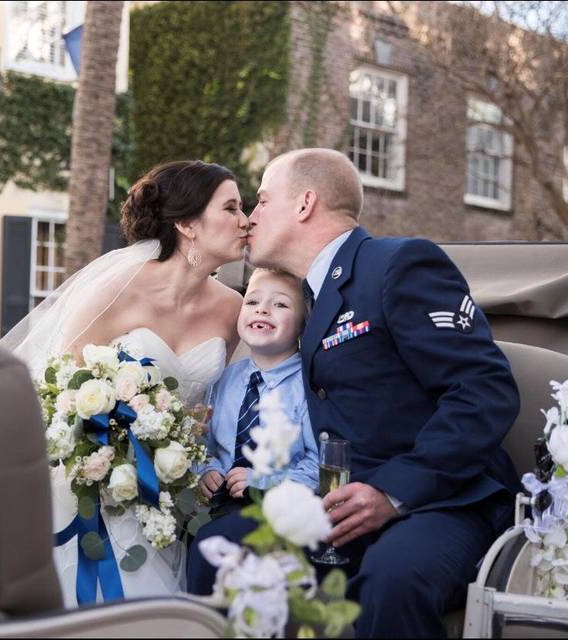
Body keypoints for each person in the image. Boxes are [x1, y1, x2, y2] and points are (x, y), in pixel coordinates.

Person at [187, 148, 521, 638]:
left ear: (304, 204)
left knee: (393, 581)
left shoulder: (398, 264)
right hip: (337, 507)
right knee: (220, 550)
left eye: (261, 201)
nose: (250, 218)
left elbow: (484, 392)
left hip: (441, 502)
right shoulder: (308, 297)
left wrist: (393, 491)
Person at [1, 160, 250, 606]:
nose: (244, 220)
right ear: (189, 224)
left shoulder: (233, 310)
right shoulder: (119, 289)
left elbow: (214, 408)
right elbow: (55, 387)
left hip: (168, 489)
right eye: (230, 208)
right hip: (85, 479)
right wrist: (102, 445)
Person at [196, 268, 319, 518]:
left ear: (304, 323)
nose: (262, 309)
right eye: (252, 301)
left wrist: (264, 482)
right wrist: (207, 470)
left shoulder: (309, 386)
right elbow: (205, 446)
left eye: (281, 304)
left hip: (284, 512)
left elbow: (319, 464)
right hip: (221, 509)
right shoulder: (223, 379)